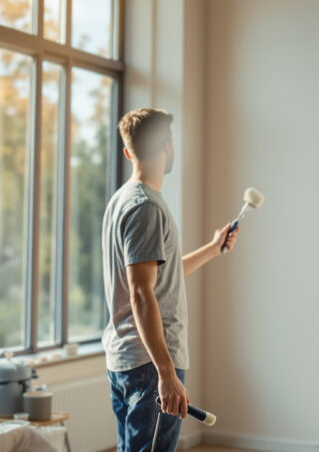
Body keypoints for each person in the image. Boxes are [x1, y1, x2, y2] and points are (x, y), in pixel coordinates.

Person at [102, 108, 239, 451]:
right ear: (167, 144)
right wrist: (166, 373)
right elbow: (140, 293)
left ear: (128, 151)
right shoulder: (145, 206)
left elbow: (159, 277)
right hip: (149, 364)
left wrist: (212, 249)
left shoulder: (122, 201)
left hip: (129, 358)